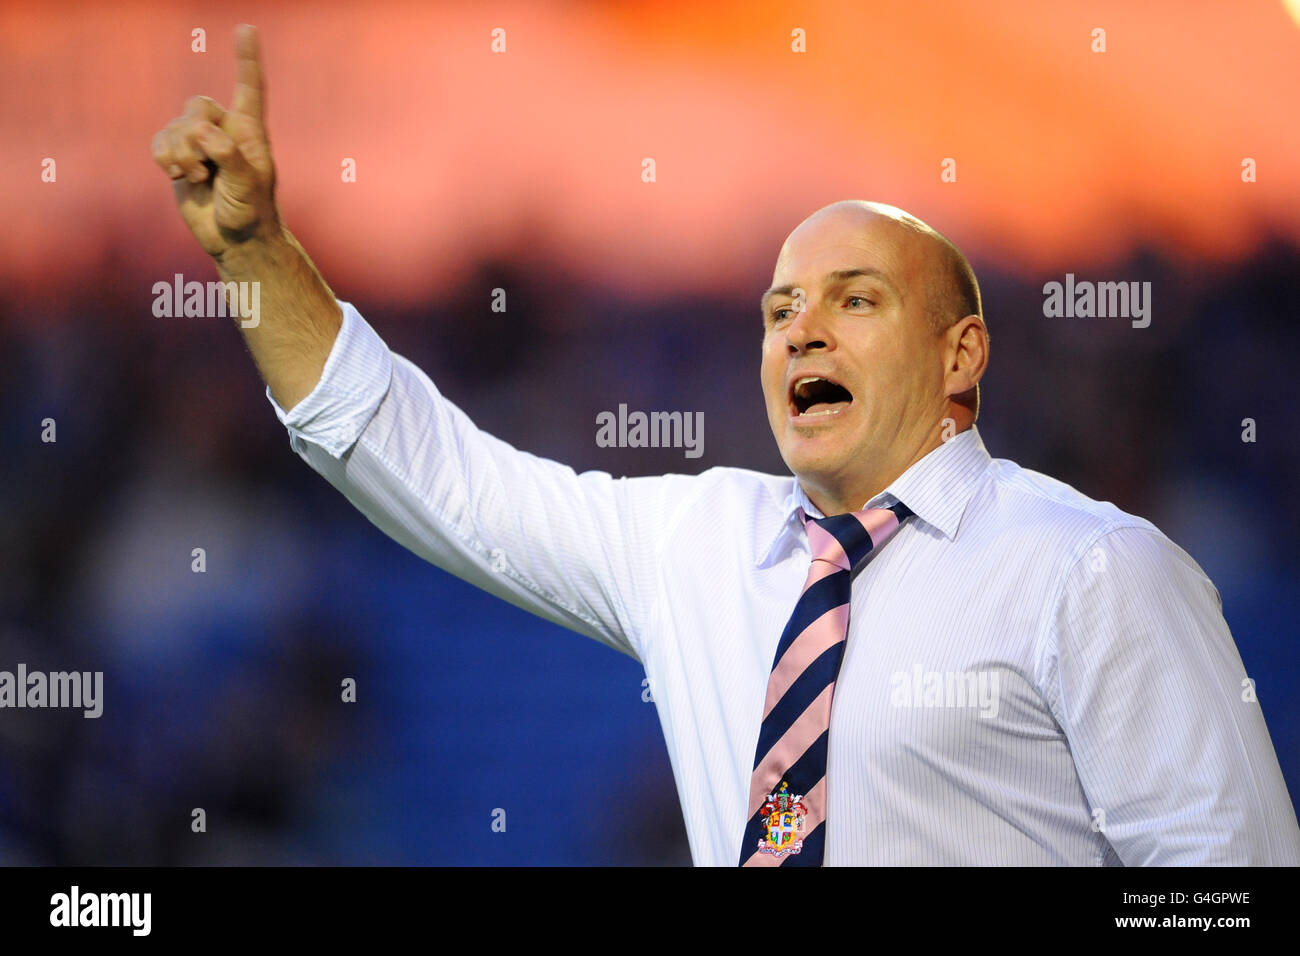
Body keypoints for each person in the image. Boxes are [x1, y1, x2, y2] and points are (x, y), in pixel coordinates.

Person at [151, 25, 1300, 866]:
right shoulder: (699, 540)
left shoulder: (1092, 567)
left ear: (960, 355)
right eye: (779, 308)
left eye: (855, 299)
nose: (800, 326)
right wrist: (254, 255)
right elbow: (430, 468)